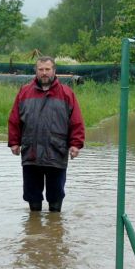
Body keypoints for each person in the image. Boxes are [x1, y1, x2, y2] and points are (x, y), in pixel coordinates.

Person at [8, 56, 85, 212]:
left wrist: (76, 144)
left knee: (56, 196)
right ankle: (34, 229)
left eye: (47, 69)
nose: (44, 73)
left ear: (54, 71)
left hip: (56, 152)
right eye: (41, 69)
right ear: (36, 71)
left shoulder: (67, 94)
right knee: (32, 196)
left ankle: (54, 229)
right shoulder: (24, 92)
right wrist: (14, 142)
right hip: (31, 153)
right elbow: (14, 119)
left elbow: (76, 121)